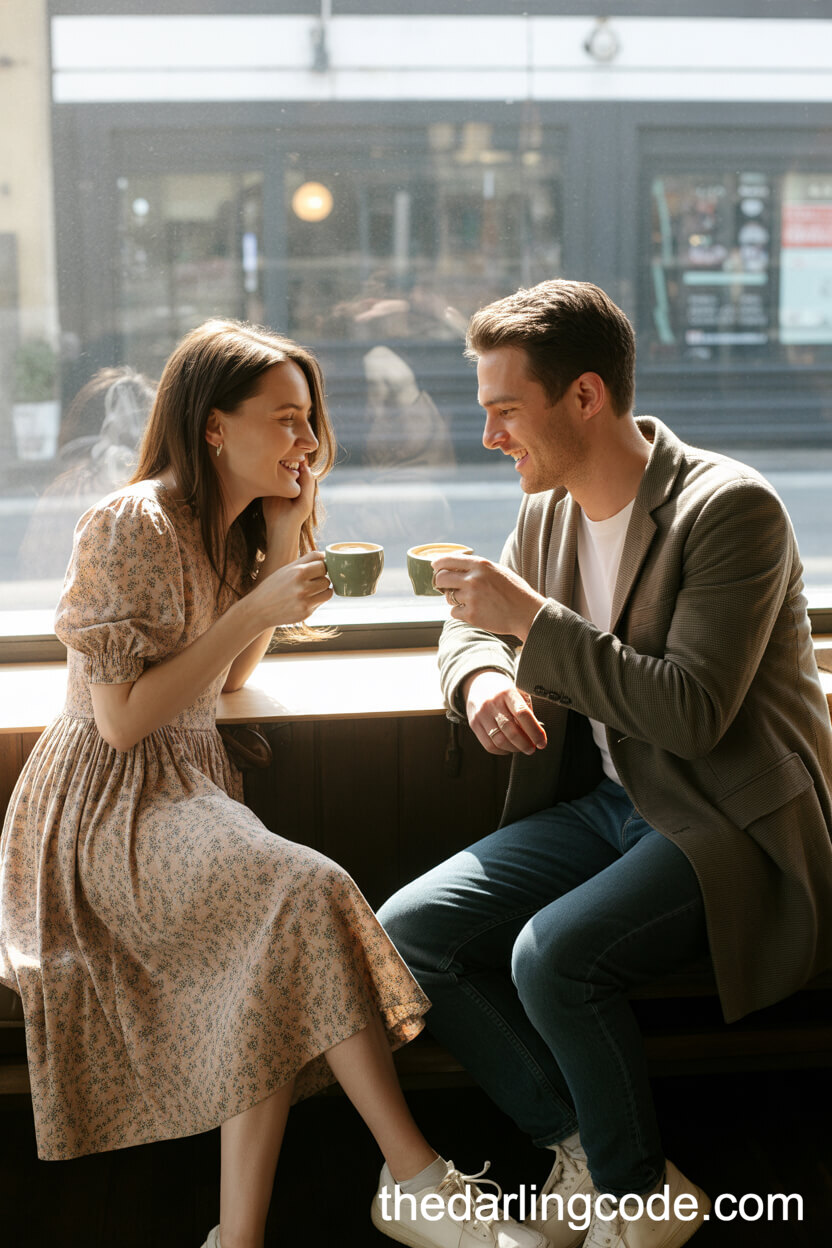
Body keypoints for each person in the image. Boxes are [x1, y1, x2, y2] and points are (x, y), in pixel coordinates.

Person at [0, 319, 547, 1248]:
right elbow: (124, 720)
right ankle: (415, 1178)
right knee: (307, 889)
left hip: (183, 791)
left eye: (311, 422)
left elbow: (230, 680)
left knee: (272, 941)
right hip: (101, 809)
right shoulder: (132, 520)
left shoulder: (225, 527)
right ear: (214, 427)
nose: (308, 441)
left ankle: (239, 1235)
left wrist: (282, 548)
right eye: (286, 420)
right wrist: (256, 603)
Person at [378, 279, 832, 1248]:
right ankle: (584, 1142)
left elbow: (693, 713)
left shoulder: (729, 509)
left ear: (584, 397)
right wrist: (481, 685)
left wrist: (527, 624)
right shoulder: (545, 514)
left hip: (721, 814)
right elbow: (472, 631)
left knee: (553, 956)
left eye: (506, 411)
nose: (492, 437)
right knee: (406, 934)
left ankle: (637, 1196)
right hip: (606, 804)